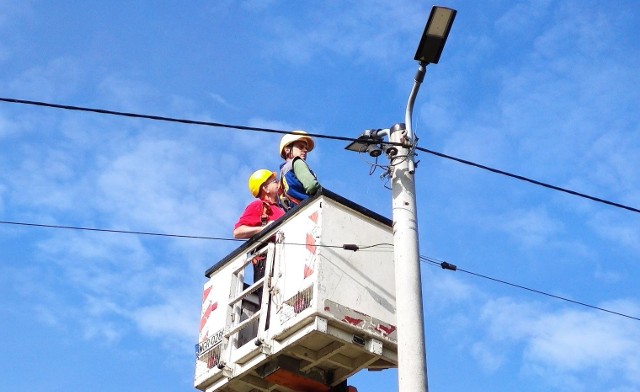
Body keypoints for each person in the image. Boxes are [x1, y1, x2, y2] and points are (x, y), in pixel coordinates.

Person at [233, 169, 285, 239]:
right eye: (275, 181)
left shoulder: (283, 207)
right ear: (266, 189)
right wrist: (265, 228)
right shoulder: (259, 205)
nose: (278, 182)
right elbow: (238, 232)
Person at [278, 130, 321, 210]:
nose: (305, 150)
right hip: (309, 208)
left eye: (306, 148)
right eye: (301, 147)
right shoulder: (297, 162)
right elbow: (311, 186)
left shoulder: (282, 174)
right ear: (287, 149)